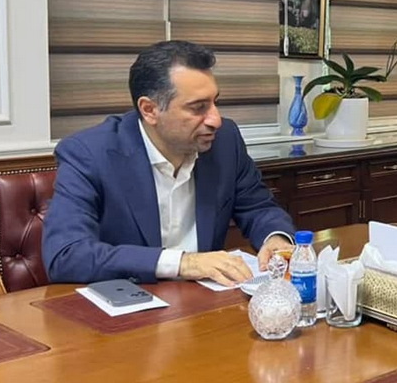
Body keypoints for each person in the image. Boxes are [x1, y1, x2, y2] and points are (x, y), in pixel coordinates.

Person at [44, 40, 295, 287]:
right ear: (149, 110)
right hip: (132, 301)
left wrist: (275, 239)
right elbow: (66, 254)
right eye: (198, 107)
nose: (216, 120)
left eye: (215, 102)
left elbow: (258, 207)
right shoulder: (89, 154)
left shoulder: (225, 141)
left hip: (207, 300)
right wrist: (183, 263)